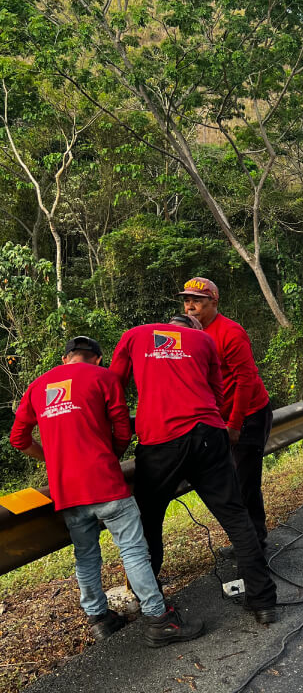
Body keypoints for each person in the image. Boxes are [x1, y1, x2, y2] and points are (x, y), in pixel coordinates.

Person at [9, 336, 205, 647]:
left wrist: (52, 457)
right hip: (105, 483)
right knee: (133, 550)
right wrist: (109, 456)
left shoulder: (37, 387)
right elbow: (123, 430)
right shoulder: (104, 378)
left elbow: (18, 439)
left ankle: (99, 619)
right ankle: (159, 619)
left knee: (85, 556)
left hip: (66, 490)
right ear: (98, 359)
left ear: (66, 358)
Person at [109, 316, 278, 624]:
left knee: (148, 521)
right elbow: (217, 393)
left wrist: (120, 434)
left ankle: (152, 603)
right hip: (208, 436)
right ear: (193, 330)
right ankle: (263, 601)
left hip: (160, 441)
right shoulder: (205, 341)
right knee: (236, 517)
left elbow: (112, 386)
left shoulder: (135, 335)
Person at [179, 277, 272, 552]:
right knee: (230, 481)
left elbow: (247, 380)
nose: (191, 306)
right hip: (217, 418)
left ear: (213, 301)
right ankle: (247, 539)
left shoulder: (230, 333)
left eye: (198, 300)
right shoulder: (187, 335)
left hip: (248, 415)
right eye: (187, 300)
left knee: (244, 481)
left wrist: (235, 424)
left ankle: (255, 542)